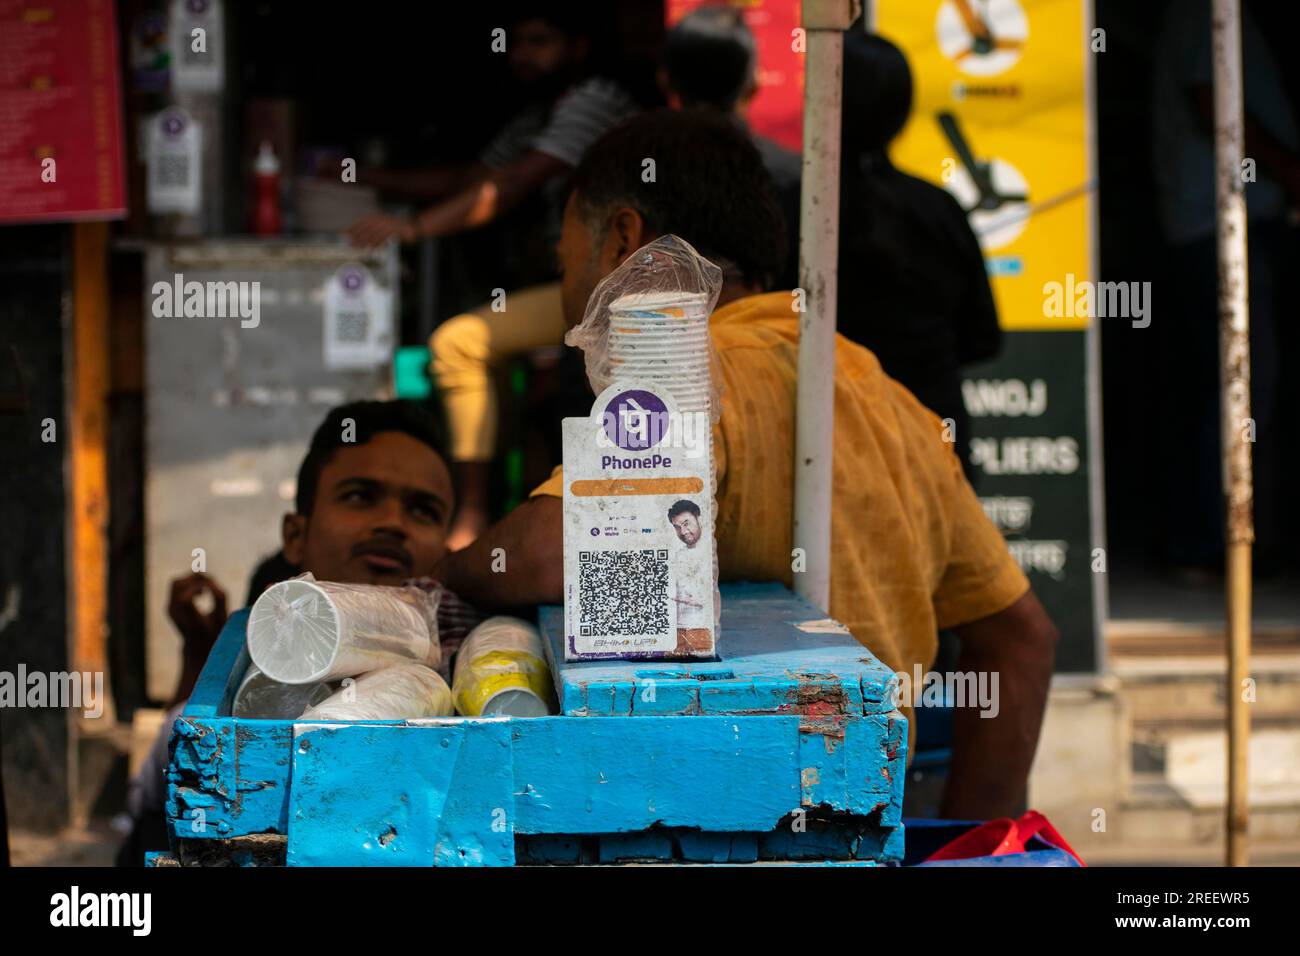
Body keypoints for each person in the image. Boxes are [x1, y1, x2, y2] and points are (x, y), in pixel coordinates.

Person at [434, 109, 1059, 820]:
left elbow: (550, 554)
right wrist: (962, 847)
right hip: (858, 830)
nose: (568, 289)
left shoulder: (686, 376)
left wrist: (449, 570)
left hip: (715, 821)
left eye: (564, 260)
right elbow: (1023, 638)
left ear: (623, 239)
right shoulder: (888, 397)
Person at [431, 5, 801, 550]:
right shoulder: (851, 380)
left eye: (568, 246)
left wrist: (459, 573)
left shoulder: (664, 378)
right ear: (751, 81)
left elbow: (556, 551)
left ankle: (473, 511)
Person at [117, 400, 473, 864]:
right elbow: (169, 772)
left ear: (446, 551)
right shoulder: (255, 653)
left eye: (422, 510)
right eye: (360, 496)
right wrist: (197, 656)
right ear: (295, 534)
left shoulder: (461, 655)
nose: (391, 522)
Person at [837, 30, 1001, 481]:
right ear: (902, 109)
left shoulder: (798, 211)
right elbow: (984, 337)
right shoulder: (939, 210)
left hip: (831, 444)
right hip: (934, 439)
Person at [347, 6, 637, 253]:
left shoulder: (595, 99)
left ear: (578, 48)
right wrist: (360, 176)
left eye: (539, 42)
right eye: (517, 43)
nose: (522, 55)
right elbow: (470, 177)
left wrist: (413, 228)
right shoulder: (536, 115)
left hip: (614, 267)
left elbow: (513, 181)